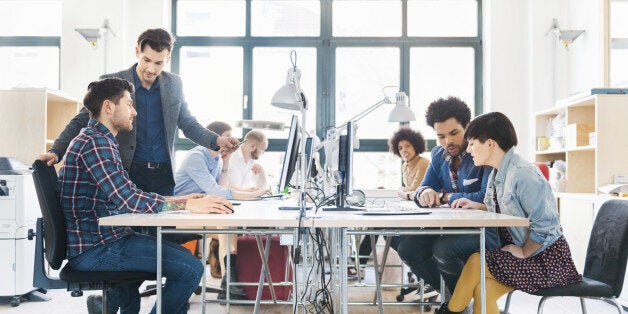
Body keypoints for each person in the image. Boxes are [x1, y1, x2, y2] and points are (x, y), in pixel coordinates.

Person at [59, 78, 235, 314]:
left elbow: (131, 194)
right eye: (129, 104)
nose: (134, 112)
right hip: (97, 248)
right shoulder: (95, 144)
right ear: (109, 107)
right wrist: (189, 205)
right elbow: (130, 201)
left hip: (106, 240)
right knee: (191, 269)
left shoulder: (101, 141)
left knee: (183, 260)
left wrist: (183, 200)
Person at [38, 28, 239, 196]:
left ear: (167, 59)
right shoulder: (114, 82)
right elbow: (81, 119)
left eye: (158, 63)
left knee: (160, 235)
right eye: (146, 60)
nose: (151, 69)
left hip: (163, 174)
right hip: (128, 170)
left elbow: (187, 123)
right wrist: (57, 151)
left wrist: (217, 141)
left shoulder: (174, 84)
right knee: (130, 227)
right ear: (137, 52)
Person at [435, 112, 581, 314]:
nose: (468, 150)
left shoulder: (523, 174)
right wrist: (474, 205)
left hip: (546, 260)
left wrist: (523, 252)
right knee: (481, 289)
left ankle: (451, 312)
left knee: (477, 260)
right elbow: (502, 210)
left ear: (490, 144)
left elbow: (547, 227)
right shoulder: (496, 172)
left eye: (472, 143)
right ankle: (453, 311)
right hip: (525, 257)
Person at [391, 96, 498, 296]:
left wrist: (446, 197)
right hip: (452, 225)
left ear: (468, 126)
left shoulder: (481, 152)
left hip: (483, 229)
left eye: (454, 133)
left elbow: (485, 196)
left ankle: (460, 303)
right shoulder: (439, 154)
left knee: (443, 248)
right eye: (440, 136)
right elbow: (422, 188)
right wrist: (425, 193)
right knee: (407, 248)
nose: (447, 141)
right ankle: (453, 298)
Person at [173, 121, 269, 298]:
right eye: (227, 137)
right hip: (180, 213)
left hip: (199, 211)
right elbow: (215, 191)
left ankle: (229, 282)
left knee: (228, 224)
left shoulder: (216, 158)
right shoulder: (197, 156)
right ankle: (229, 283)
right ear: (213, 138)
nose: (232, 143)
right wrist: (250, 195)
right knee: (226, 225)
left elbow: (221, 189)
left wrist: (225, 162)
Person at [357, 127, 429, 263]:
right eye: (400, 148)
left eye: (407, 146)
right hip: (411, 208)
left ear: (416, 145)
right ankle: (360, 261)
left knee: (377, 224)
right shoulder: (406, 166)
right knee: (376, 223)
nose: (404, 150)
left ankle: (360, 261)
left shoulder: (423, 162)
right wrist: (402, 191)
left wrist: (401, 191)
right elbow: (406, 190)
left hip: (420, 212)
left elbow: (413, 189)